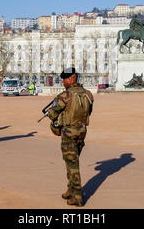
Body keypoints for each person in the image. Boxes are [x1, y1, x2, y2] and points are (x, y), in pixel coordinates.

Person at [47, 67, 94, 206]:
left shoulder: (64, 96)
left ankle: (78, 196)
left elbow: (52, 114)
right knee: (71, 160)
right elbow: (88, 112)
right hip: (82, 131)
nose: (63, 82)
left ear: (71, 78)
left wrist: (52, 113)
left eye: (64, 79)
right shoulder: (88, 94)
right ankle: (70, 189)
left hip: (69, 132)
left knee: (72, 164)